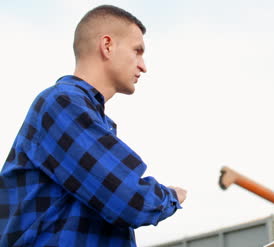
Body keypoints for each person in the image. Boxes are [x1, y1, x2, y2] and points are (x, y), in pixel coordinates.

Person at [0, 5, 187, 247]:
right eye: (137, 51)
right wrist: (172, 196)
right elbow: (130, 201)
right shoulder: (62, 103)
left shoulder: (90, 118)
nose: (143, 66)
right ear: (107, 46)